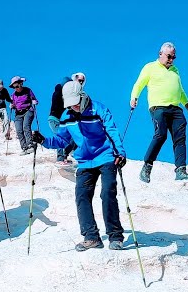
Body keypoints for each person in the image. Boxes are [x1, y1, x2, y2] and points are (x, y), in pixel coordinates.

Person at [31, 80, 127, 251]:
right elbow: (62, 140)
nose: (73, 108)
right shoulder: (67, 117)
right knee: (82, 196)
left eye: (75, 104)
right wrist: (44, 140)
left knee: (107, 193)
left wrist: (119, 153)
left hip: (105, 157)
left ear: (82, 97)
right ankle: (91, 237)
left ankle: (115, 236)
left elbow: (112, 131)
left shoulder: (99, 110)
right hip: (84, 161)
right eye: (70, 105)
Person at [130, 42, 188, 183]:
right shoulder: (150, 67)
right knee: (160, 135)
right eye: (169, 56)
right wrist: (134, 97)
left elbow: (181, 91)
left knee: (180, 138)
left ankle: (181, 170)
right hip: (158, 107)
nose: (171, 59)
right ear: (160, 54)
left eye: (174, 57)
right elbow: (139, 83)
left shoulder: (175, 70)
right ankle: (147, 167)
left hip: (176, 108)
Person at [8, 76, 39, 154]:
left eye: (17, 86)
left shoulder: (27, 90)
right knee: (19, 130)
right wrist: (12, 106)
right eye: (14, 87)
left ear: (21, 84)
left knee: (26, 126)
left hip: (28, 110)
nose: (16, 88)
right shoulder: (14, 95)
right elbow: (14, 105)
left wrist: (34, 101)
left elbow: (35, 99)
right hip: (18, 114)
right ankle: (24, 147)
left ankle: (30, 145)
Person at [49, 75, 75, 166]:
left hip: (55, 120)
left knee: (70, 136)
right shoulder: (59, 93)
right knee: (62, 137)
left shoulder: (58, 92)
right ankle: (60, 158)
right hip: (55, 120)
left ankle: (65, 155)